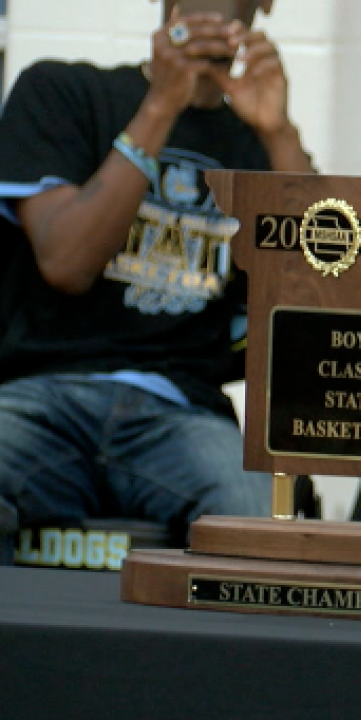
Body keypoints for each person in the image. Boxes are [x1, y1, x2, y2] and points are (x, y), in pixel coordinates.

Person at [0, 0, 314, 563]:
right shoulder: (62, 92)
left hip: (182, 415)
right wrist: (160, 108)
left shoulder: (258, 146)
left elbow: (317, 303)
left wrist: (280, 135)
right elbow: (67, 262)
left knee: (260, 513)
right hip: (41, 395)